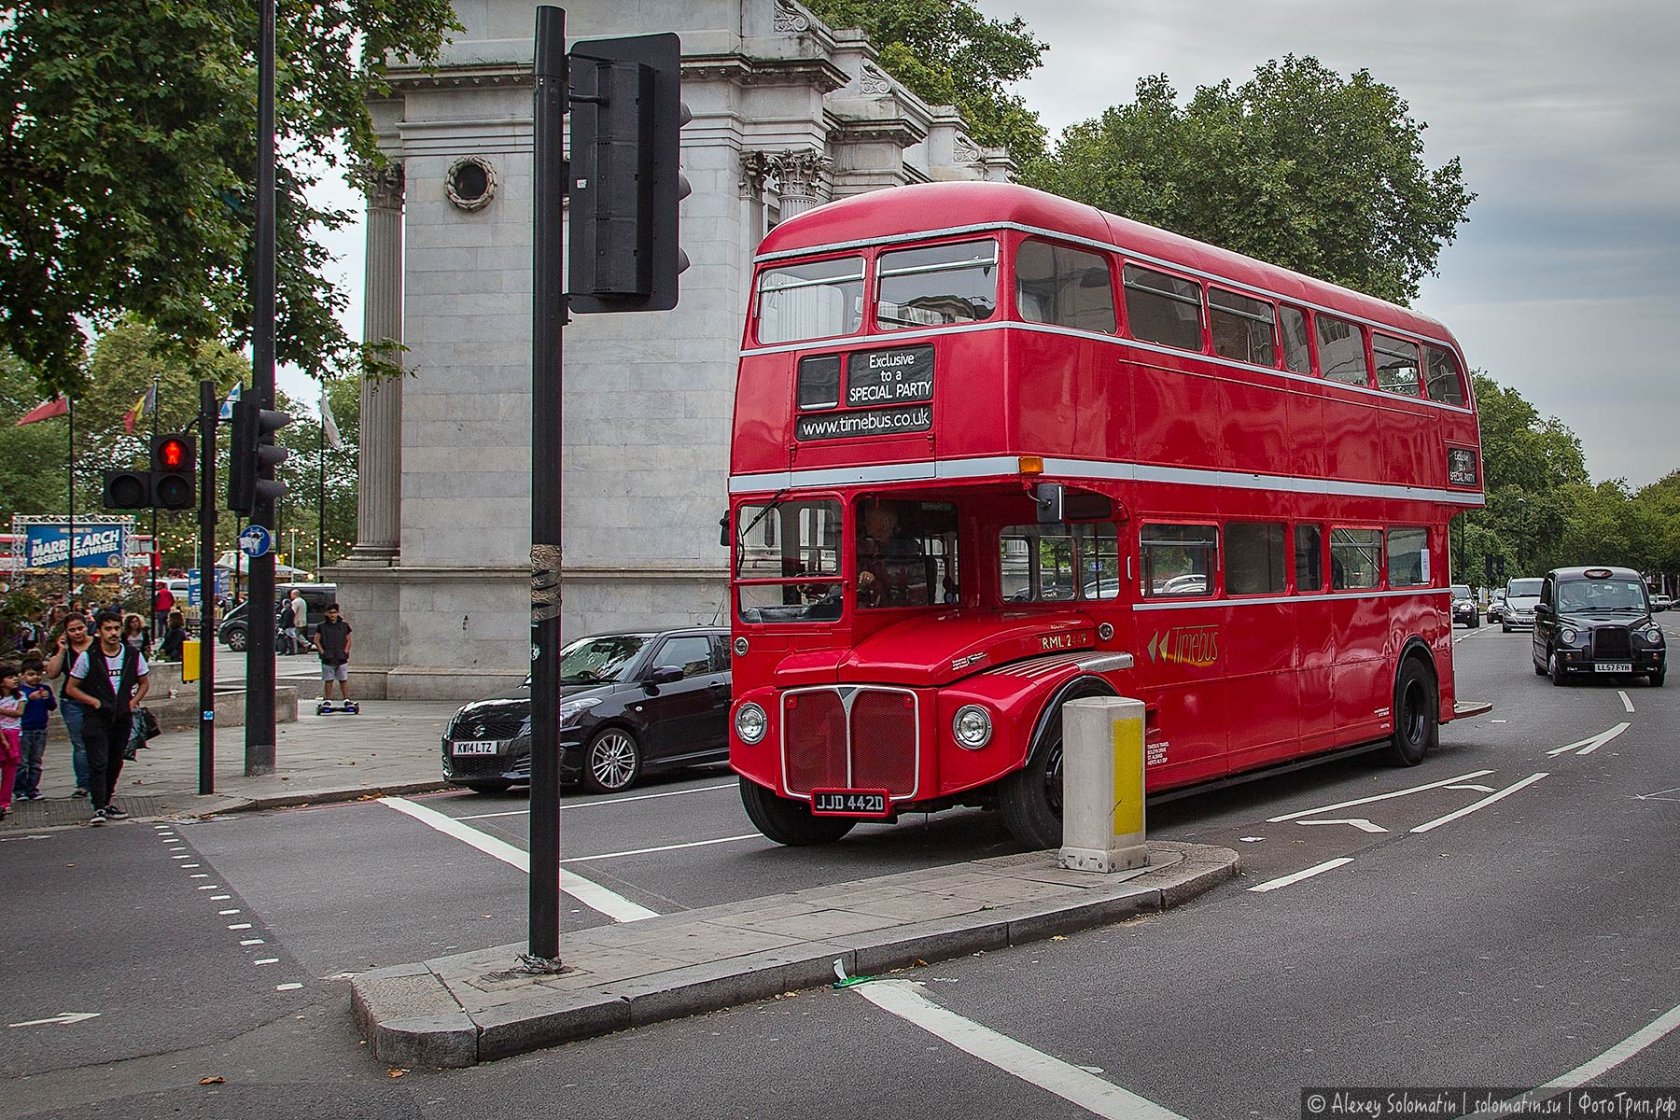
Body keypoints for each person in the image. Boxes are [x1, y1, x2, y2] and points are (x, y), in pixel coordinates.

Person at [64, 609, 149, 826]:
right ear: (99, 631)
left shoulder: (131, 655)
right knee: (98, 761)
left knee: (115, 761)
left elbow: (144, 682)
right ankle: (98, 805)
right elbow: (71, 688)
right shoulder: (89, 657)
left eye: (116, 629)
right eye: (108, 629)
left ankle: (107, 800)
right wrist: (93, 702)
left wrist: (132, 702)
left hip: (121, 716)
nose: (113, 633)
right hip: (96, 717)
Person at [44, 613, 95, 798]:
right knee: (80, 743)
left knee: (98, 741)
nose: (77, 633)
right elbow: (51, 673)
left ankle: (98, 780)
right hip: (71, 701)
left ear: (87, 626)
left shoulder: (96, 645)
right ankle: (83, 784)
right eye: (72, 630)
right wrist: (62, 650)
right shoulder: (66, 650)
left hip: (96, 699)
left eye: (80, 628)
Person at [854, 500, 922, 607]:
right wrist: (862, 579)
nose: (865, 523)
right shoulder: (864, 546)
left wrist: (874, 581)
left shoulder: (905, 549)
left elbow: (899, 583)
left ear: (884, 523)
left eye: (870, 520)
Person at [15, 656, 56, 802]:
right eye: (31, 674)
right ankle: (20, 789)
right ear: (23, 675)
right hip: (24, 729)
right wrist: (29, 699)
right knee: (22, 762)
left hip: (41, 728)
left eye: (38, 674)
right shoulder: (20, 692)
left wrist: (47, 698)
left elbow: (52, 706)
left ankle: (33, 788)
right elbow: (17, 709)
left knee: (36, 761)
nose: (35, 678)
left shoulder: (45, 689)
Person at [313, 602, 353, 706]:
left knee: (343, 679)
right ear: (326, 613)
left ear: (337, 613)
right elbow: (316, 640)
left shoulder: (344, 626)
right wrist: (322, 652)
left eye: (334, 613)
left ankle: (346, 699)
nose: (332, 615)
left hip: (341, 656)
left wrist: (346, 651)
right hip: (328, 656)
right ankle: (328, 699)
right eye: (330, 613)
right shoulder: (321, 626)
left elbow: (348, 640)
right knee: (328, 679)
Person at [0, 664, 21, 821]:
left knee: (10, 770)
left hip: (14, 734)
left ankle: (5, 801)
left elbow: (19, 712)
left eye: (16, 676)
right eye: (10, 677)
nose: (15, 679)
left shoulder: (19, 696)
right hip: (1, 734)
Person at [283, 589, 310, 654]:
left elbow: (292, 612)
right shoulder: (303, 601)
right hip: (303, 620)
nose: (290, 596)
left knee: (295, 635)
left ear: (294, 594)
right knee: (298, 634)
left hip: (297, 621)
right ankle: (305, 645)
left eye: (291, 594)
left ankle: (306, 644)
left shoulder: (295, 602)